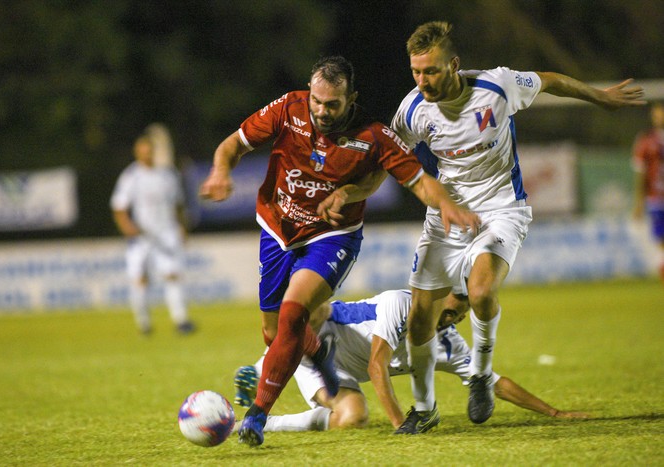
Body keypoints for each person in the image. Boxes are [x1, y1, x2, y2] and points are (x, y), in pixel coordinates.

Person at [199, 55, 480, 446]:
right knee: (272, 332)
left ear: (351, 100)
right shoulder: (288, 108)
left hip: (333, 236)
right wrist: (220, 170)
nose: (321, 110)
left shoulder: (374, 137)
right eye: (317, 101)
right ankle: (323, 364)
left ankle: (257, 416)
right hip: (277, 228)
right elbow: (235, 143)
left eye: (332, 104)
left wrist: (446, 203)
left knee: (294, 313)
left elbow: (419, 181)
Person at [381, 21, 646, 431]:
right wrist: (348, 194)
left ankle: (482, 376)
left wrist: (600, 96)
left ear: (454, 64)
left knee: (481, 291)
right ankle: (425, 408)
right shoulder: (413, 109)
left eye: (430, 70)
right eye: (415, 72)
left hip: (502, 208)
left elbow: (550, 80)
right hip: (447, 215)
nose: (422, 81)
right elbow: (387, 156)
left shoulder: (497, 86)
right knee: (420, 317)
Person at [233, 290, 590, 433]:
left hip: (343, 371)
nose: (450, 321)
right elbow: (378, 365)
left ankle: (269, 423)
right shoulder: (399, 305)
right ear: (434, 297)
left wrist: (555, 414)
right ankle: (262, 367)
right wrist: (401, 423)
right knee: (315, 307)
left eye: (459, 317)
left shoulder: (448, 342)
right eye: (449, 311)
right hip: (314, 349)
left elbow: (492, 381)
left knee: (353, 418)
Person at [110, 134, 195, 335]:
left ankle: (180, 320)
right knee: (140, 279)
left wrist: (181, 227)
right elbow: (119, 207)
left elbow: (178, 205)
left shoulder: (168, 175)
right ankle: (144, 324)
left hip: (166, 233)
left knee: (172, 275)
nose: (147, 155)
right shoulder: (131, 176)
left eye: (149, 151)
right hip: (143, 236)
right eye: (143, 151)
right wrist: (128, 227)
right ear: (137, 153)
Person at [632, 101, 664, 283]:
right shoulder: (646, 140)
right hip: (656, 198)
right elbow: (640, 171)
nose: (658, 117)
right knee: (660, 238)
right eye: (656, 114)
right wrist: (638, 201)